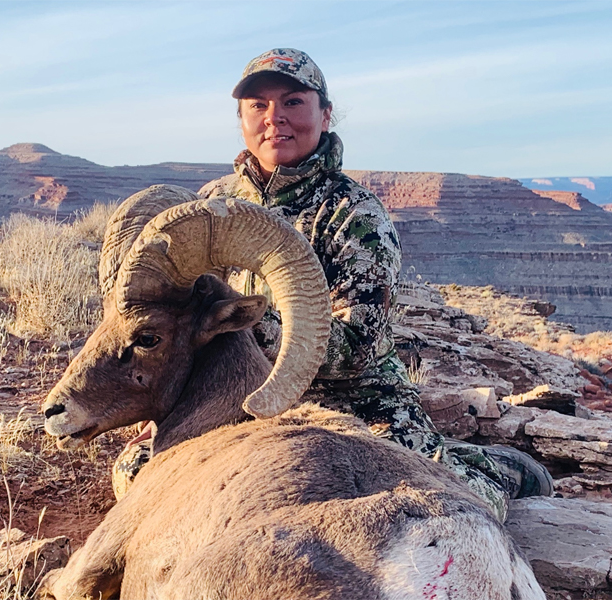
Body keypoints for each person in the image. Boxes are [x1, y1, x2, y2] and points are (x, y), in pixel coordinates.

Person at [116, 48, 553, 521]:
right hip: (238, 398)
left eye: (293, 102)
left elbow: (356, 347)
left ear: (325, 116)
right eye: (258, 105)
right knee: (140, 475)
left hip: (350, 402)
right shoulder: (211, 205)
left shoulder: (355, 216)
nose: (275, 118)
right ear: (241, 119)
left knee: (438, 509)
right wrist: (176, 401)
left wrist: (250, 325)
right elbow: (181, 319)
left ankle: (497, 473)